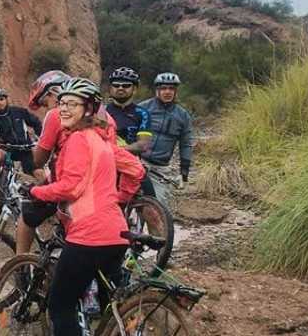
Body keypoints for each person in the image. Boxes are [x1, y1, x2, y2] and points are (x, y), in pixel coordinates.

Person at [21, 78, 137, 335]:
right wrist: (119, 199)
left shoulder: (77, 140)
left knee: (60, 305)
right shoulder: (104, 140)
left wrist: (36, 191)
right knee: (110, 306)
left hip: (88, 236)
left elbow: (70, 188)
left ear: (88, 109)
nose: (63, 109)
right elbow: (136, 171)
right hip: (117, 232)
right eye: (61, 103)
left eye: (72, 104)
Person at [139, 72, 194, 205]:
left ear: (176, 91)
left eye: (171, 89)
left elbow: (186, 144)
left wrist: (184, 172)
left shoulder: (183, 116)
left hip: (161, 168)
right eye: (163, 88)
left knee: (159, 207)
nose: (167, 92)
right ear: (157, 90)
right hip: (139, 162)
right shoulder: (143, 108)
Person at [105, 67, 157, 198]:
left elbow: (143, 145)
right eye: (116, 85)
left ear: (134, 89)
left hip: (131, 165)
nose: (120, 88)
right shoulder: (101, 112)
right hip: (105, 165)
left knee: (151, 202)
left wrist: (116, 151)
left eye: (126, 85)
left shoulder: (142, 113)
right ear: (110, 89)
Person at [0, 88, 43, 180]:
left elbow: (36, 123)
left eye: (2, 99)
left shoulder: (19, 112)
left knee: (40, 175)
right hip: (7, 150)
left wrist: (41, 138)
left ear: (7, 100)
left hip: (25, 149)